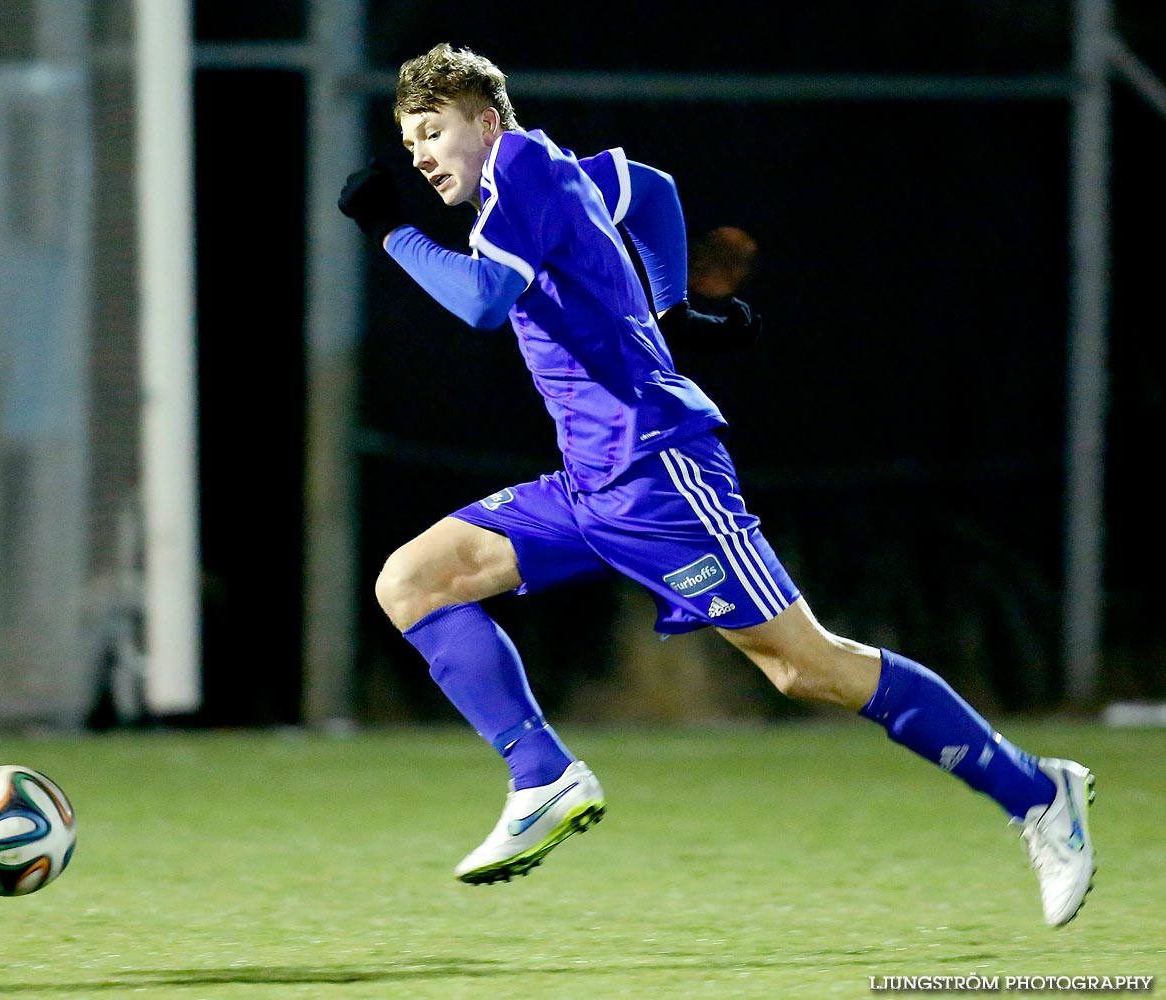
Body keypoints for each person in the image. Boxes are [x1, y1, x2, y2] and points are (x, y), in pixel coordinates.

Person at [337, 42, 1095, 927]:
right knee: (414, 580)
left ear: (487, 123)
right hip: (591, 482)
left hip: (660, 473)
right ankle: (542, 776)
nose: (421, 155)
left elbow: (480, 303)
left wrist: (389, 231)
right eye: (410, 139)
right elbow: (650, 188)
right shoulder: (557, 171)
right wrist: (673, 306)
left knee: (805, 667)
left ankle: (1037, 792)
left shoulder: (519, 178)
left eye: (434, 132)